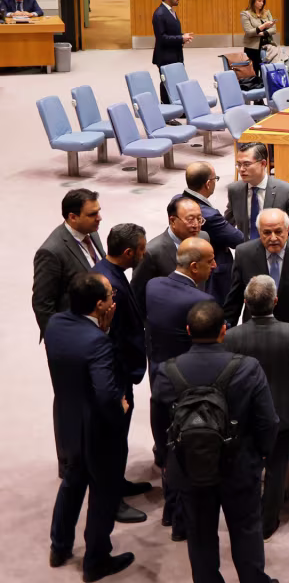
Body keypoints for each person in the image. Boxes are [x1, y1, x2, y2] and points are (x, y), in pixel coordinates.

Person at [151, 300, 278, 583]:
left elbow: (160, 424)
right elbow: (267, 421)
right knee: (246, 529)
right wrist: (262, 455)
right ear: (224, 330)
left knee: (199, 534)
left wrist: (165, 460)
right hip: (240, 467)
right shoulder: (248, 368)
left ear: (188, 330)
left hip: (189, 468)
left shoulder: (167, 371)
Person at [45, 272, 135, 581]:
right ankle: (96, 560)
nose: (114, 299)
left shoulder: (55, 323)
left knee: (71, 483)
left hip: (67, 422)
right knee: (104, 493)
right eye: (111, 295)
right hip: (98, 431)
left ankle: (59, 546)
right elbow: (105, 391)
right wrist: (120, 408)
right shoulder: (97, 341)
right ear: (99, 305)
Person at [225, 275, 289, 539]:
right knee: (277, 469)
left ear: (246, 303)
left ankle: (245, 517)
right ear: (275, 301)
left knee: (249, 466)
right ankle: (267, 523)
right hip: (283, 413)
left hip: (245, 415)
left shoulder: (231, 337)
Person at [146, 236, 217, 540]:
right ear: (194, 266)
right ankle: (179, 520)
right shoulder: (201, 303)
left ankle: (167, 509)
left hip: (158, 378)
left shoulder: (153, 286)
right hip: (188, 386)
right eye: (210, 261)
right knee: (187, 452)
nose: (215, 266)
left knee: (166, 444)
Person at [92, 223, 152, 523]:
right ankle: (111, 500)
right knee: (112, 441)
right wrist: (118, 388)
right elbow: (107, 340)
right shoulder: (107, 284)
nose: (144, 253)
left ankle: (119, 483)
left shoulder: (110, 270)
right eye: (141, 249)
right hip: (115, 376)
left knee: (120, 438)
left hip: (122, 372)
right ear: (128, 252)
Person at [223, 207, 289, 347]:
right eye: (267, 232)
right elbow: (233, 302)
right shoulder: (244, 253)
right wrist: (229, 339)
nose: (273, 238)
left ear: (287, 229)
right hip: (253, 339)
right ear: (259, 232)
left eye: (278, 231)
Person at [33, 188, 104, 338]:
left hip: (99, 327)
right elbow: (43, 304)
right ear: (73, 217)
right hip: (74, 333)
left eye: (98, 211)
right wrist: (58, 341)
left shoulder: (91, 232)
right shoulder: (51, 252)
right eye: (92, 214)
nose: (99, 218)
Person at [176, 162, 245, 304]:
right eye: (215, 179)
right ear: (208, 184)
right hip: (212, 270)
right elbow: (238, 239)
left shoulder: (177, 201)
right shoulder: (208, 215)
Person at [133, 197, 206, 321]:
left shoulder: (204, 239)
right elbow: (138, 296)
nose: (196, 225)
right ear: (172, 220)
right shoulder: (152, 252)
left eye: (199, 219)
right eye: (190, 219)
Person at [225, 141, 289, 240]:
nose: (241, 169)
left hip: (276, 250)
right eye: (239, 165)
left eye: (246, 164)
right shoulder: (235, 190)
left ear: (263, 163)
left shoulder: (286, 191)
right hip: (247, 252)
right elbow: (226, 226)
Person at [152, 0, 192, 105]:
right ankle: (167, 112)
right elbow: (162, 38)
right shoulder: (159, 14)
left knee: (177, 81)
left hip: (175, 54)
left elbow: (171, 32)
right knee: (167, 83)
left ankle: (178, 108)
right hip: (165, 56)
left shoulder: (169, 11)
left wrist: (182, 37)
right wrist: (180, 38)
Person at [240, 0, 275, 76]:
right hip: (253, 47)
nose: (262, 3)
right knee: (254, 71)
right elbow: (248, 32)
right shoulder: (245, 14)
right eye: (259, 1)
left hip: (267, 45)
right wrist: (264, 26)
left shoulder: (267, 13)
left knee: (268, 71)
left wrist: (262, 33)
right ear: (253, 1)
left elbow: (273, 29)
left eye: (263, 1)